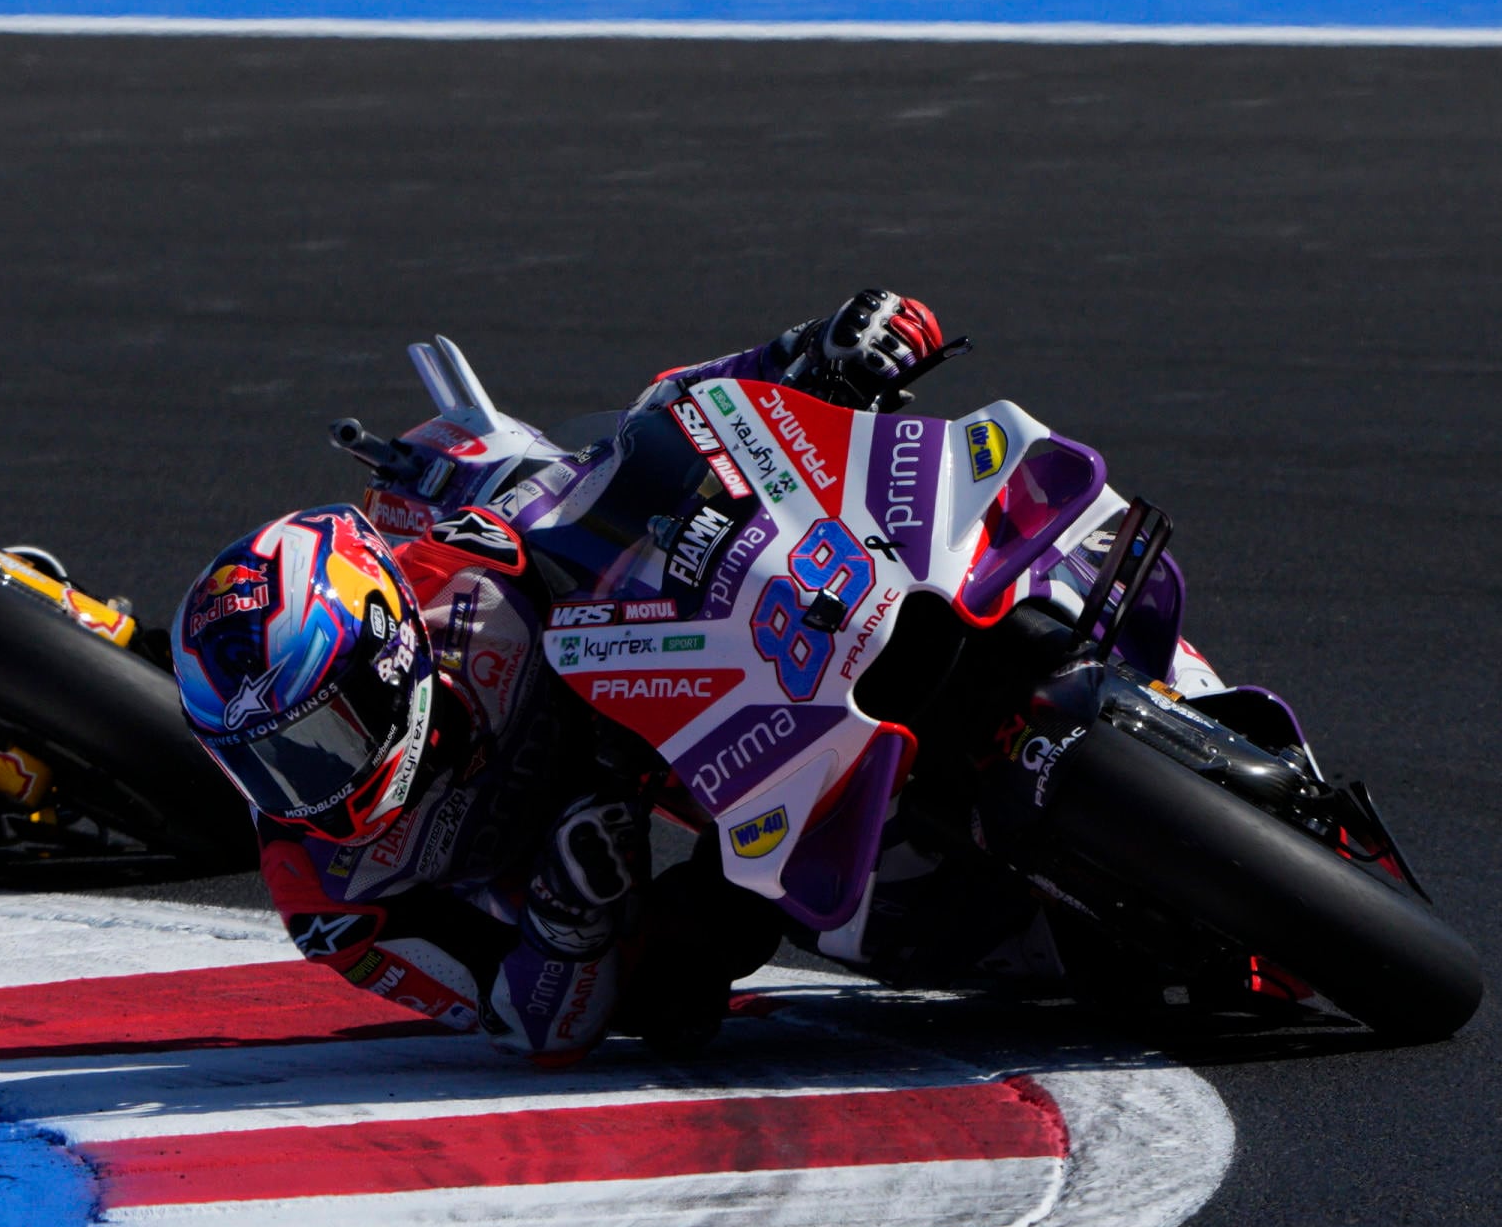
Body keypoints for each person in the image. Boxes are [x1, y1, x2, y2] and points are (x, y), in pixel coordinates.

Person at [174, 291, 951, 1061]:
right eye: (262, 761)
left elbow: (639, 438)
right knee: (670, 996)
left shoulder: (462, 569)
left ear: (383, 653)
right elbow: (517, 1024)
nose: (306, 784)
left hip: (686, 706)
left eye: (318, 735)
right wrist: (564, 913)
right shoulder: (322, 895)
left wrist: (803, 360)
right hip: (608, 884)